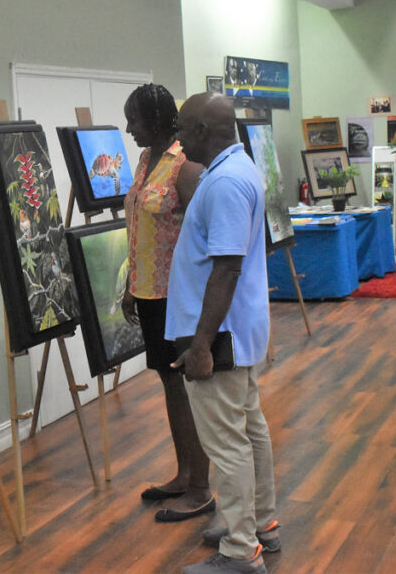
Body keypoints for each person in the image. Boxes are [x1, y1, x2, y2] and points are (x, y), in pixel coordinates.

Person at [167, 92, 279, 574]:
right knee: (250, 431)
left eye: (182, 128)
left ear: (202, 132)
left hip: (220, 336)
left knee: (227, 443)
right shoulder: (235, 169)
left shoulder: (227, 182)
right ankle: (260, 525)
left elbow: (226, 269)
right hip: (239, 330)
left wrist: (200, 345)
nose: (177, 136)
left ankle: (239, 551)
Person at [120, 84, 213, 523]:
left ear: (156, 120)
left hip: (178, 297)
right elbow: (140, 226)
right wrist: (129, 287)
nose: (128, 129)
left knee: (191, 389)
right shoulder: (144, 162)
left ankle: (201, 488)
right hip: (148, 294)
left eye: (133, 121)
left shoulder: (185, 167)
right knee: (170, 385)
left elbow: (203, 236)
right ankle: (183, 475)